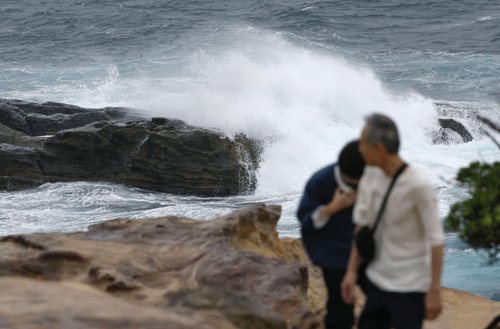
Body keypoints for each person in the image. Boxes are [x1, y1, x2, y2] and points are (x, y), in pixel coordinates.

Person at [341, 113, 445, 329]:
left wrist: (434, 290)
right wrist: (351, 272)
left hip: (410, 288)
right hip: (377, 282)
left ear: (378, 149)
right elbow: (361, 227)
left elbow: (436, 240)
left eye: (363, 143)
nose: (359, 148)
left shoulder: (417, 185)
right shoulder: (369, 176)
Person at [297, 140, 366, 329]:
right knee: (341, 307)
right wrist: (333, 207)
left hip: (365, 248)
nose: (359, 184)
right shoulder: (321, 182)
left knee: (383, 298)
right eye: (354, 181)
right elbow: (306, 221)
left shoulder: (371, 176)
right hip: (332, 252)